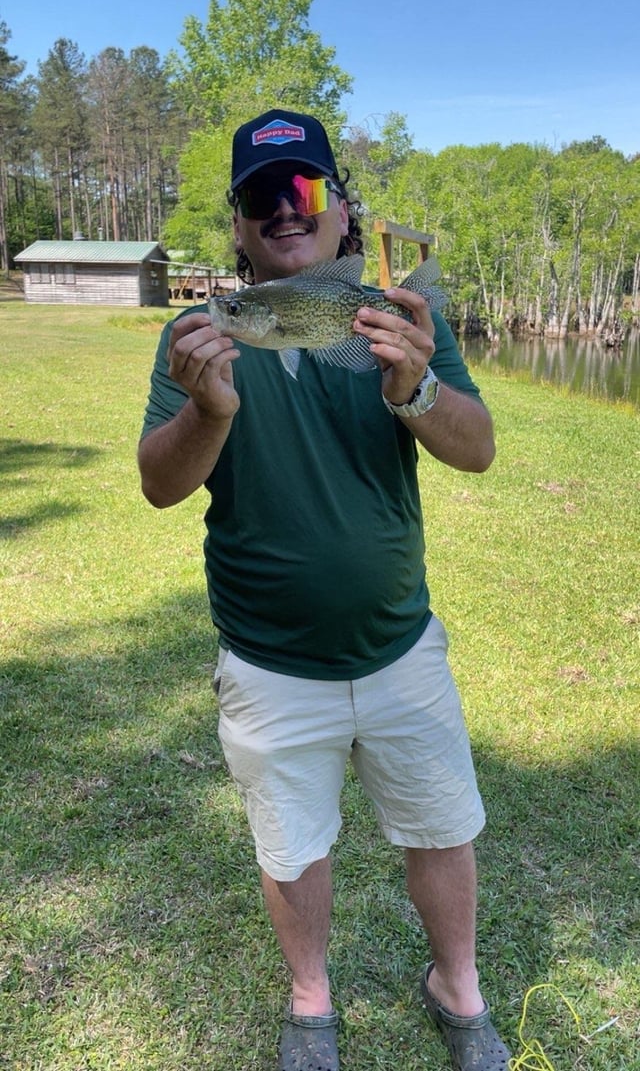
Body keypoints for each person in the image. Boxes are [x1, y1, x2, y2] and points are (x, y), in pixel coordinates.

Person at [138, 108, 512, 1071]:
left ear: (341, 207)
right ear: (238, 224)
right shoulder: (201, 336)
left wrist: (416, 388)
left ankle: (459, 989)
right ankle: (312, 1001)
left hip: (399, 645)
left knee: (441, 826)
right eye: (261, 195)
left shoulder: (400, 320)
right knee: (292, 842)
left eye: (302, 188)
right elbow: (159, 485)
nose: (283, 209)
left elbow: (478, 450)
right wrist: (209, 412)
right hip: (268, 661)